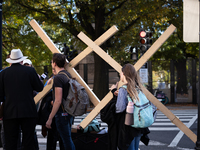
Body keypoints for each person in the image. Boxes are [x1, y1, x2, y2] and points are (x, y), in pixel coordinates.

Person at [0, 49, 44, 150]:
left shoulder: (4, 73)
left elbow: (0, 95)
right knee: (28, 141)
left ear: (11, 60)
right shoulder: (30, 71)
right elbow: (40, 88)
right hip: (28, 110)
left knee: (11, 141)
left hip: (9, 112)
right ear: (21, 60)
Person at [110, 63, 149, 150]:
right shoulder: (137, 88)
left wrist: (113, 92)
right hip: (139, 124)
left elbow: (120, 108)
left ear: (124, 74)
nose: (120, 74)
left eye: (120, 73)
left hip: (128, 125)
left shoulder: (123, 89)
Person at [46, 53, 75, 150]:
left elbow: (57, 101)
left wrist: (50, 118)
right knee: (67, 139)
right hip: (69, 112)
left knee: (67, 141)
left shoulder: (58, 78)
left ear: (54, 64)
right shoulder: (67, 75)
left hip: (61, 114)